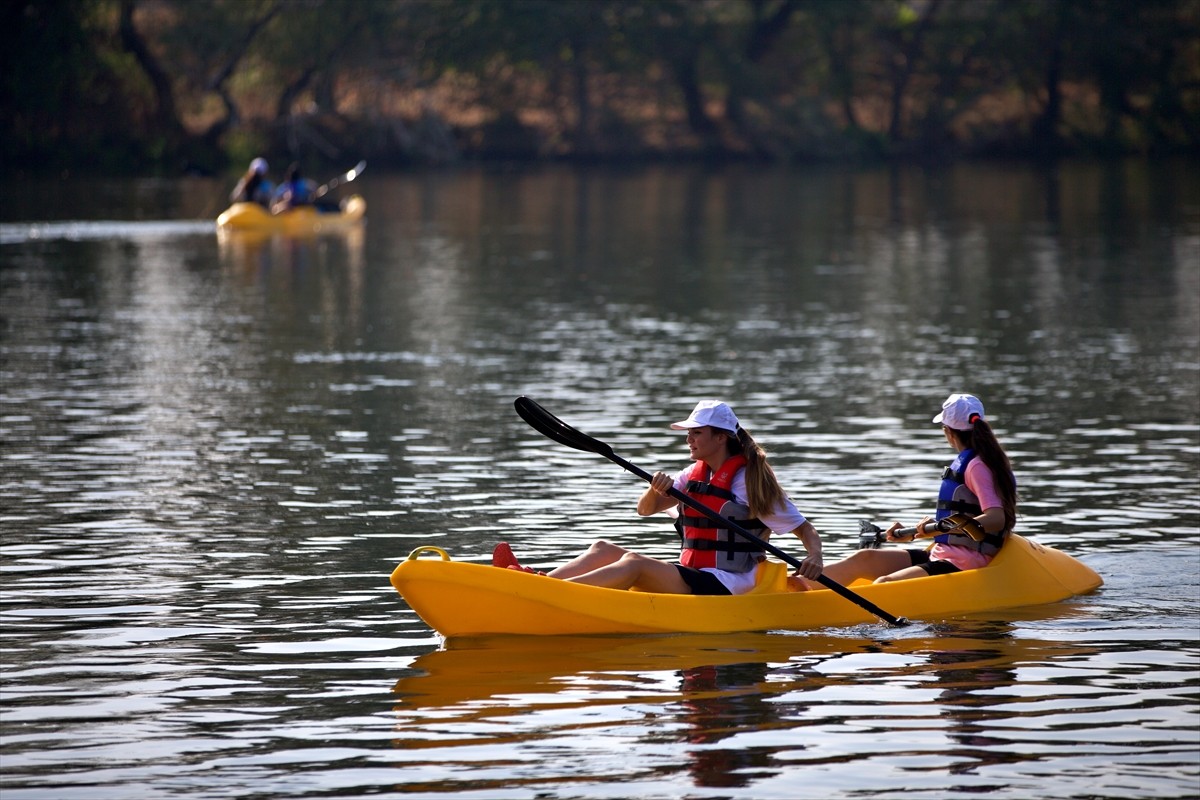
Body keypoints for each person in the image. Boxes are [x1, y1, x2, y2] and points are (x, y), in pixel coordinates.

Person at [493, 400, 824, 595]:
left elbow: (804, 529)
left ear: (720, 438)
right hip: (697, 573)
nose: (689, 440)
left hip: (730, 581)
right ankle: (535, 583)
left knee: (634, 563)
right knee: (603, 548)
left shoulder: (749, 481)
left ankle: (550, 595)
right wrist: (655, 490)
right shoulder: (690, 475)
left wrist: (815, 557)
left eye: (696, 433)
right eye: (689, 433)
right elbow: (644, 510)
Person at [820, 393, 1017, 586]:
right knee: (863, 558)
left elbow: (997, 518)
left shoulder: (977, 466)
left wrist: (940, 527)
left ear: (947, 431)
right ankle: (799, 587)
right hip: (944, 552)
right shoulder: (975, 462)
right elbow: (958, 523)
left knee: (885, 583)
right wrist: (917, 532)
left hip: (964, 563)